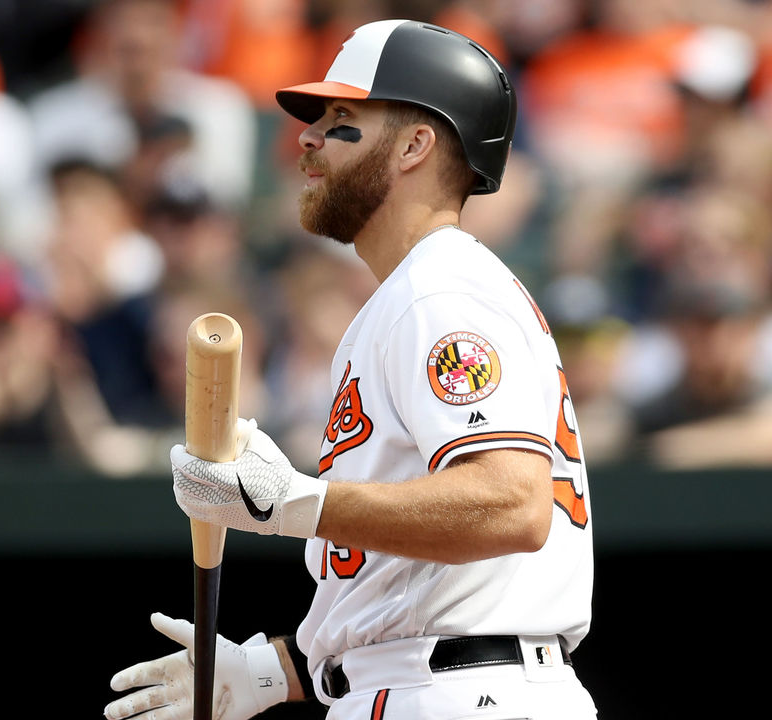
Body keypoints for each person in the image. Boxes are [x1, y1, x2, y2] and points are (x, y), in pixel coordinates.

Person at [105, 20, 597, 720]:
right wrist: (273, 671)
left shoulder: (440, 290)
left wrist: (297, 504)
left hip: (463, 695)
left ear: (414, 145)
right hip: (435, 683)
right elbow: (412, 585)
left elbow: (513, 505)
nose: (306, 138)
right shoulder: (411, 293)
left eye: (341, 121)